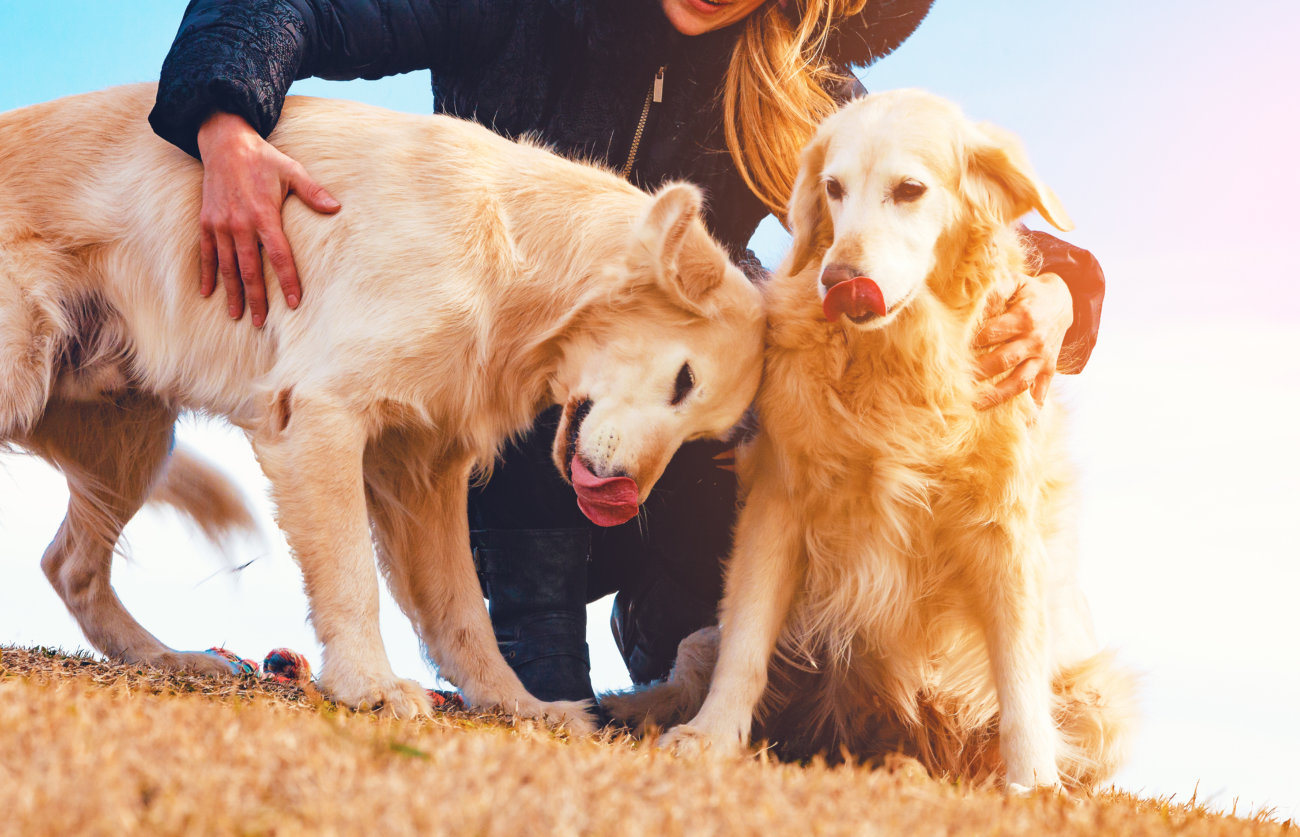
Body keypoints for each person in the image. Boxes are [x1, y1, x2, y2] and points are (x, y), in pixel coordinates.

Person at [150, 0, 1105, 707]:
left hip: (684, 470)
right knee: (525, 723)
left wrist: (1060, 294)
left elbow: (942, 190)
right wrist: (226, 120)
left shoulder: (793, 92)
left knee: (726, 695)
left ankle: (682, 656)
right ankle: (503, 661)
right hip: (501, 460)